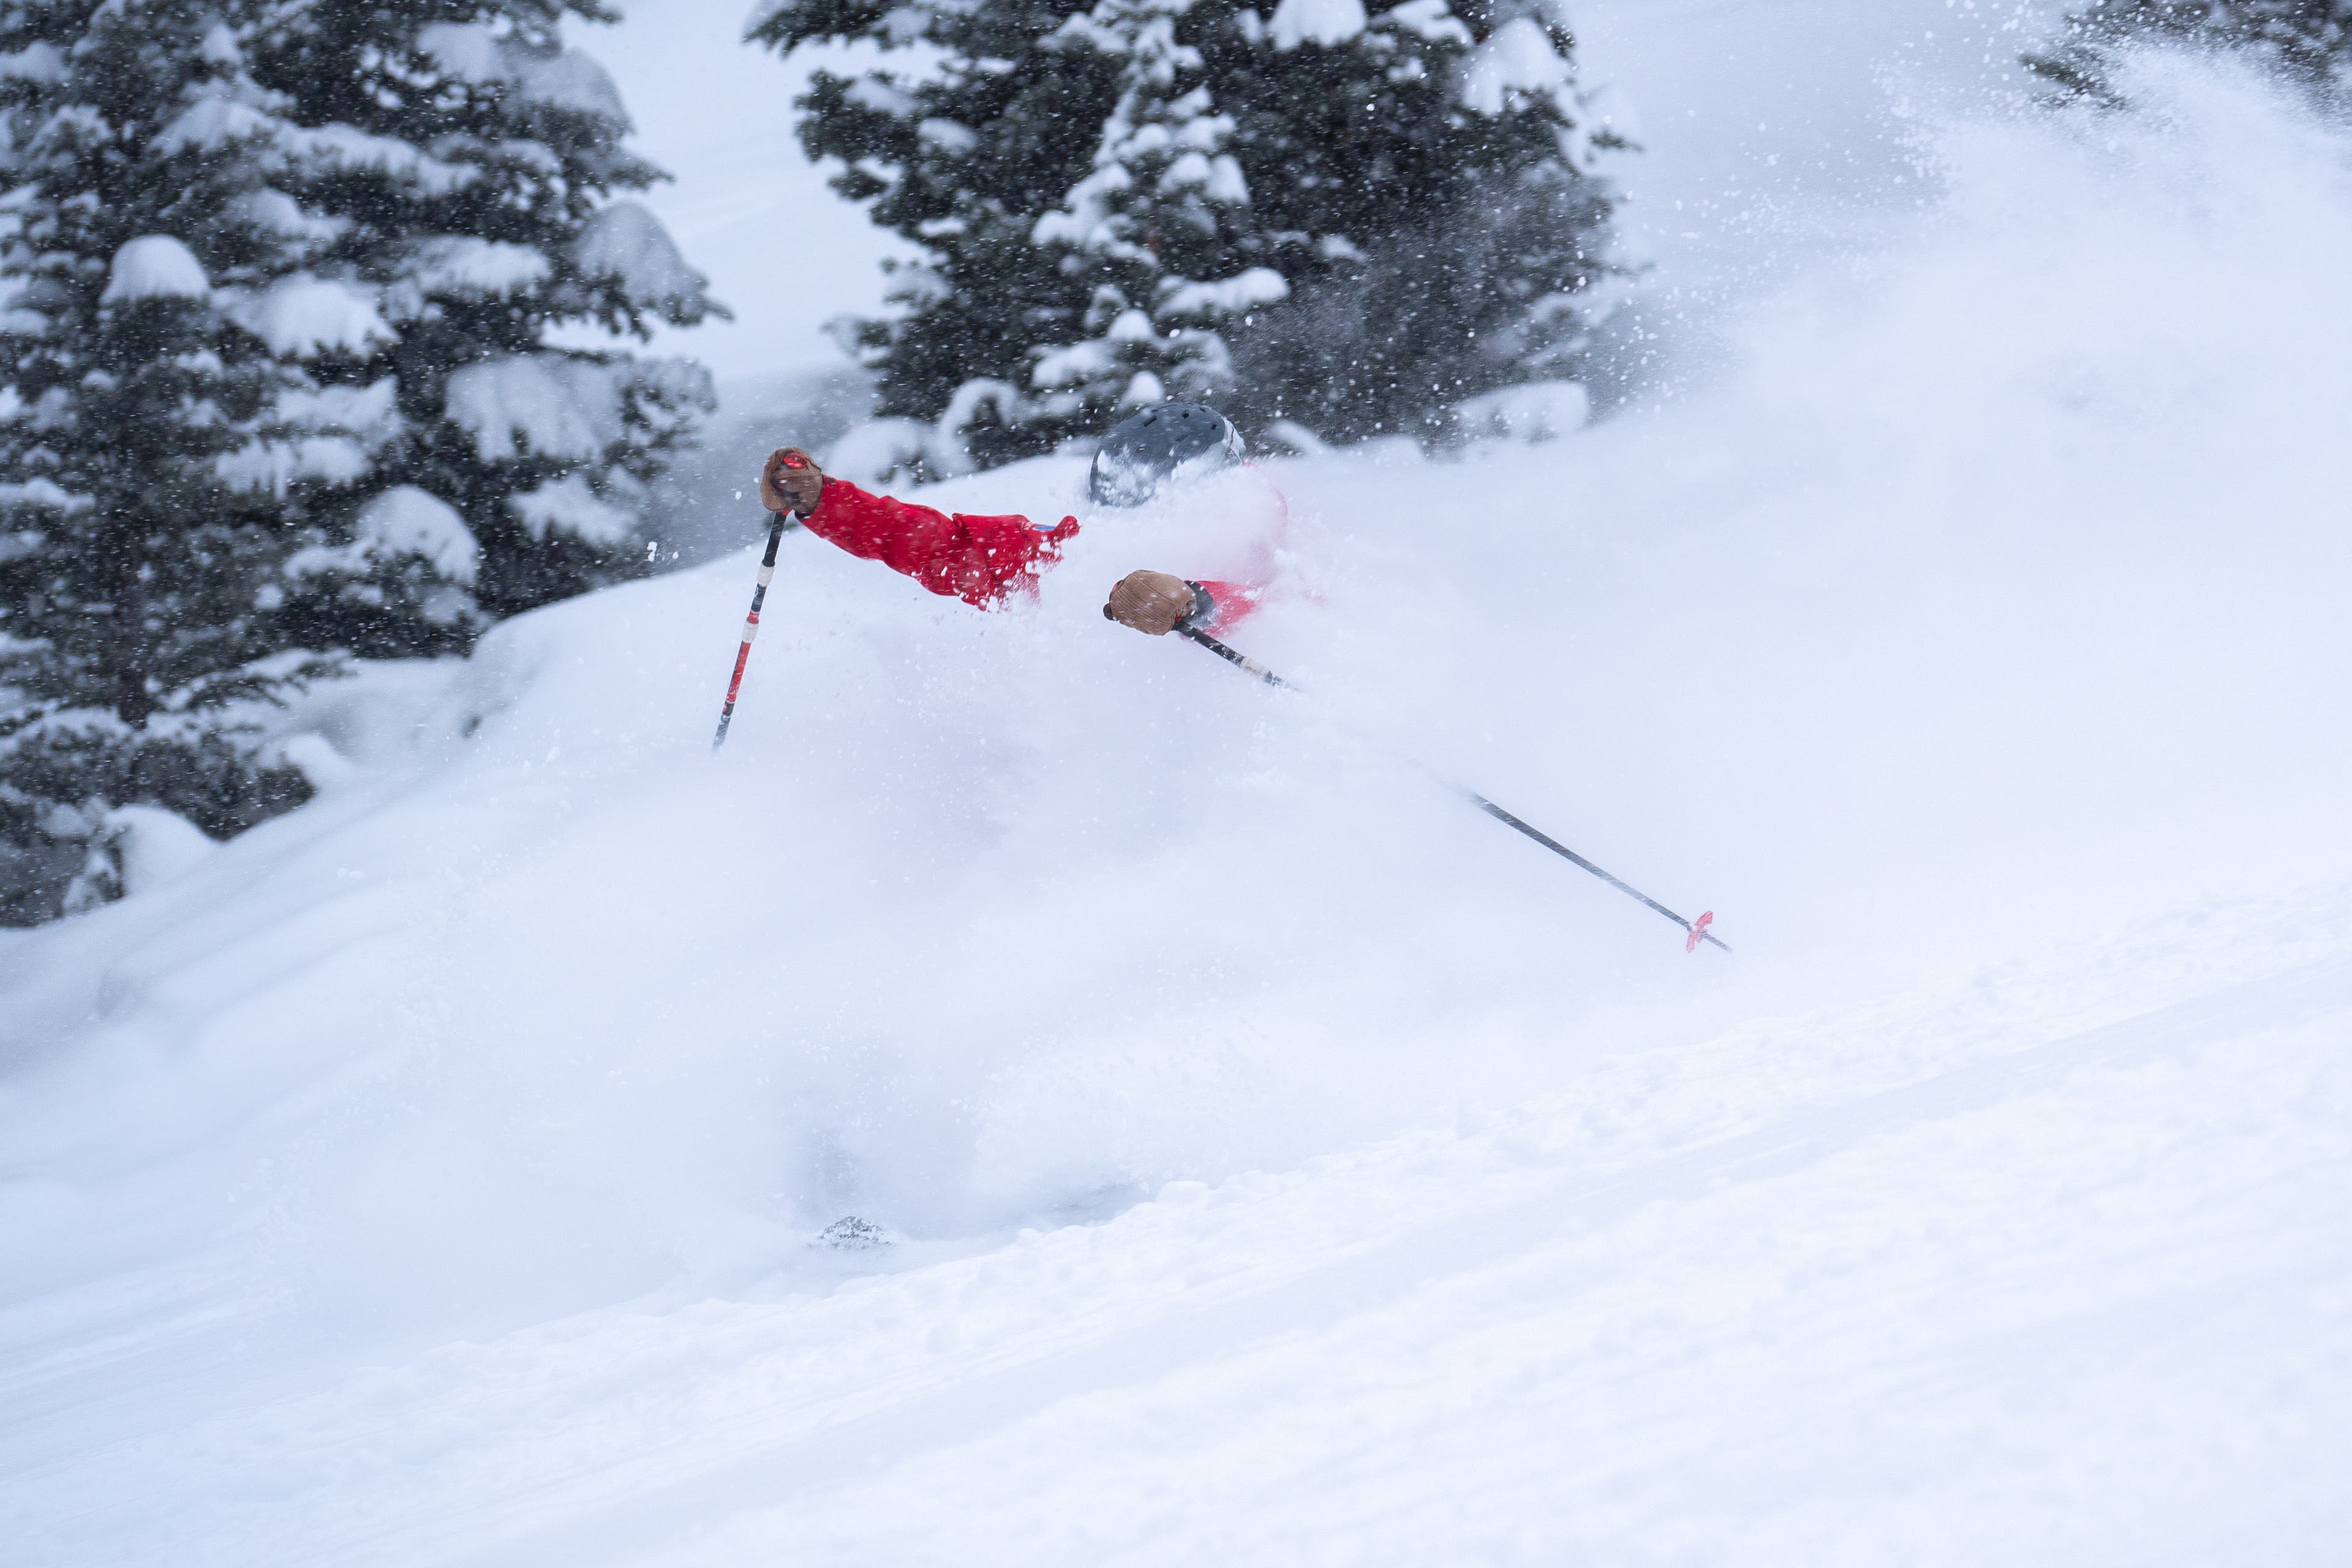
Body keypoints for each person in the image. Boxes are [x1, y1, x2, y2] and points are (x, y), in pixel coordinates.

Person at [758, 403, 1275, 638]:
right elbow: (938, 548)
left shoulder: (1259, 536)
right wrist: (825, 502)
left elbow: (1290, 612)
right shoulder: (1069, 556)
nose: (1125, 516)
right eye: (1117, 498)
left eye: (1146, 499)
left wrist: (1197, 600)